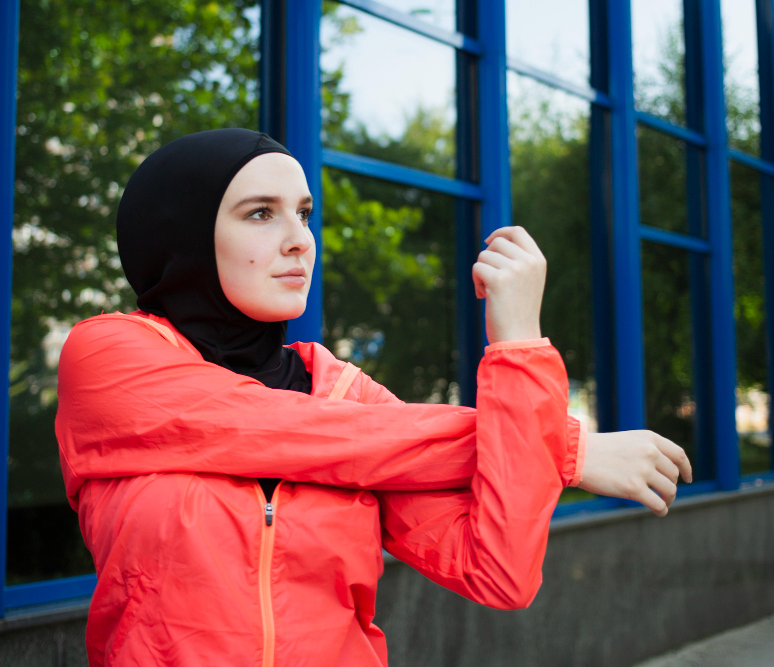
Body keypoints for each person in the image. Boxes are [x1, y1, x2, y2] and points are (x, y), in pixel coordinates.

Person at [55, 128, 691, 666]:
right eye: (259, 213)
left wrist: (518, 344)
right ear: (182, 233)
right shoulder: (110, 358)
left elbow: (497, 569)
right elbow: (285, 434)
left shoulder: (347, 393)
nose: (300, 239)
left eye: (303, 213)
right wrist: (566, 448)